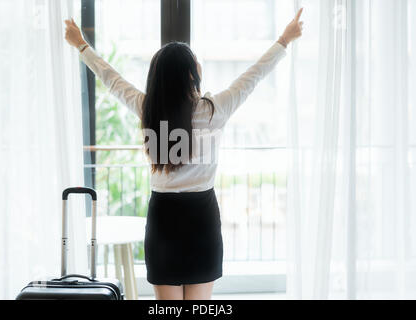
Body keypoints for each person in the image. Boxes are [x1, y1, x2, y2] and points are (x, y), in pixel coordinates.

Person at [64, 8, 303, 300]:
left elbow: (111, 79)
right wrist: (284, 39)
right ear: (190, 73)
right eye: (196, 62)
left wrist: (81, 45)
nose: (200, 65)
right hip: (201, 217)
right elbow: (254, 75)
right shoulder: (215, 110)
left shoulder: (147, 109)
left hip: (163, 218)